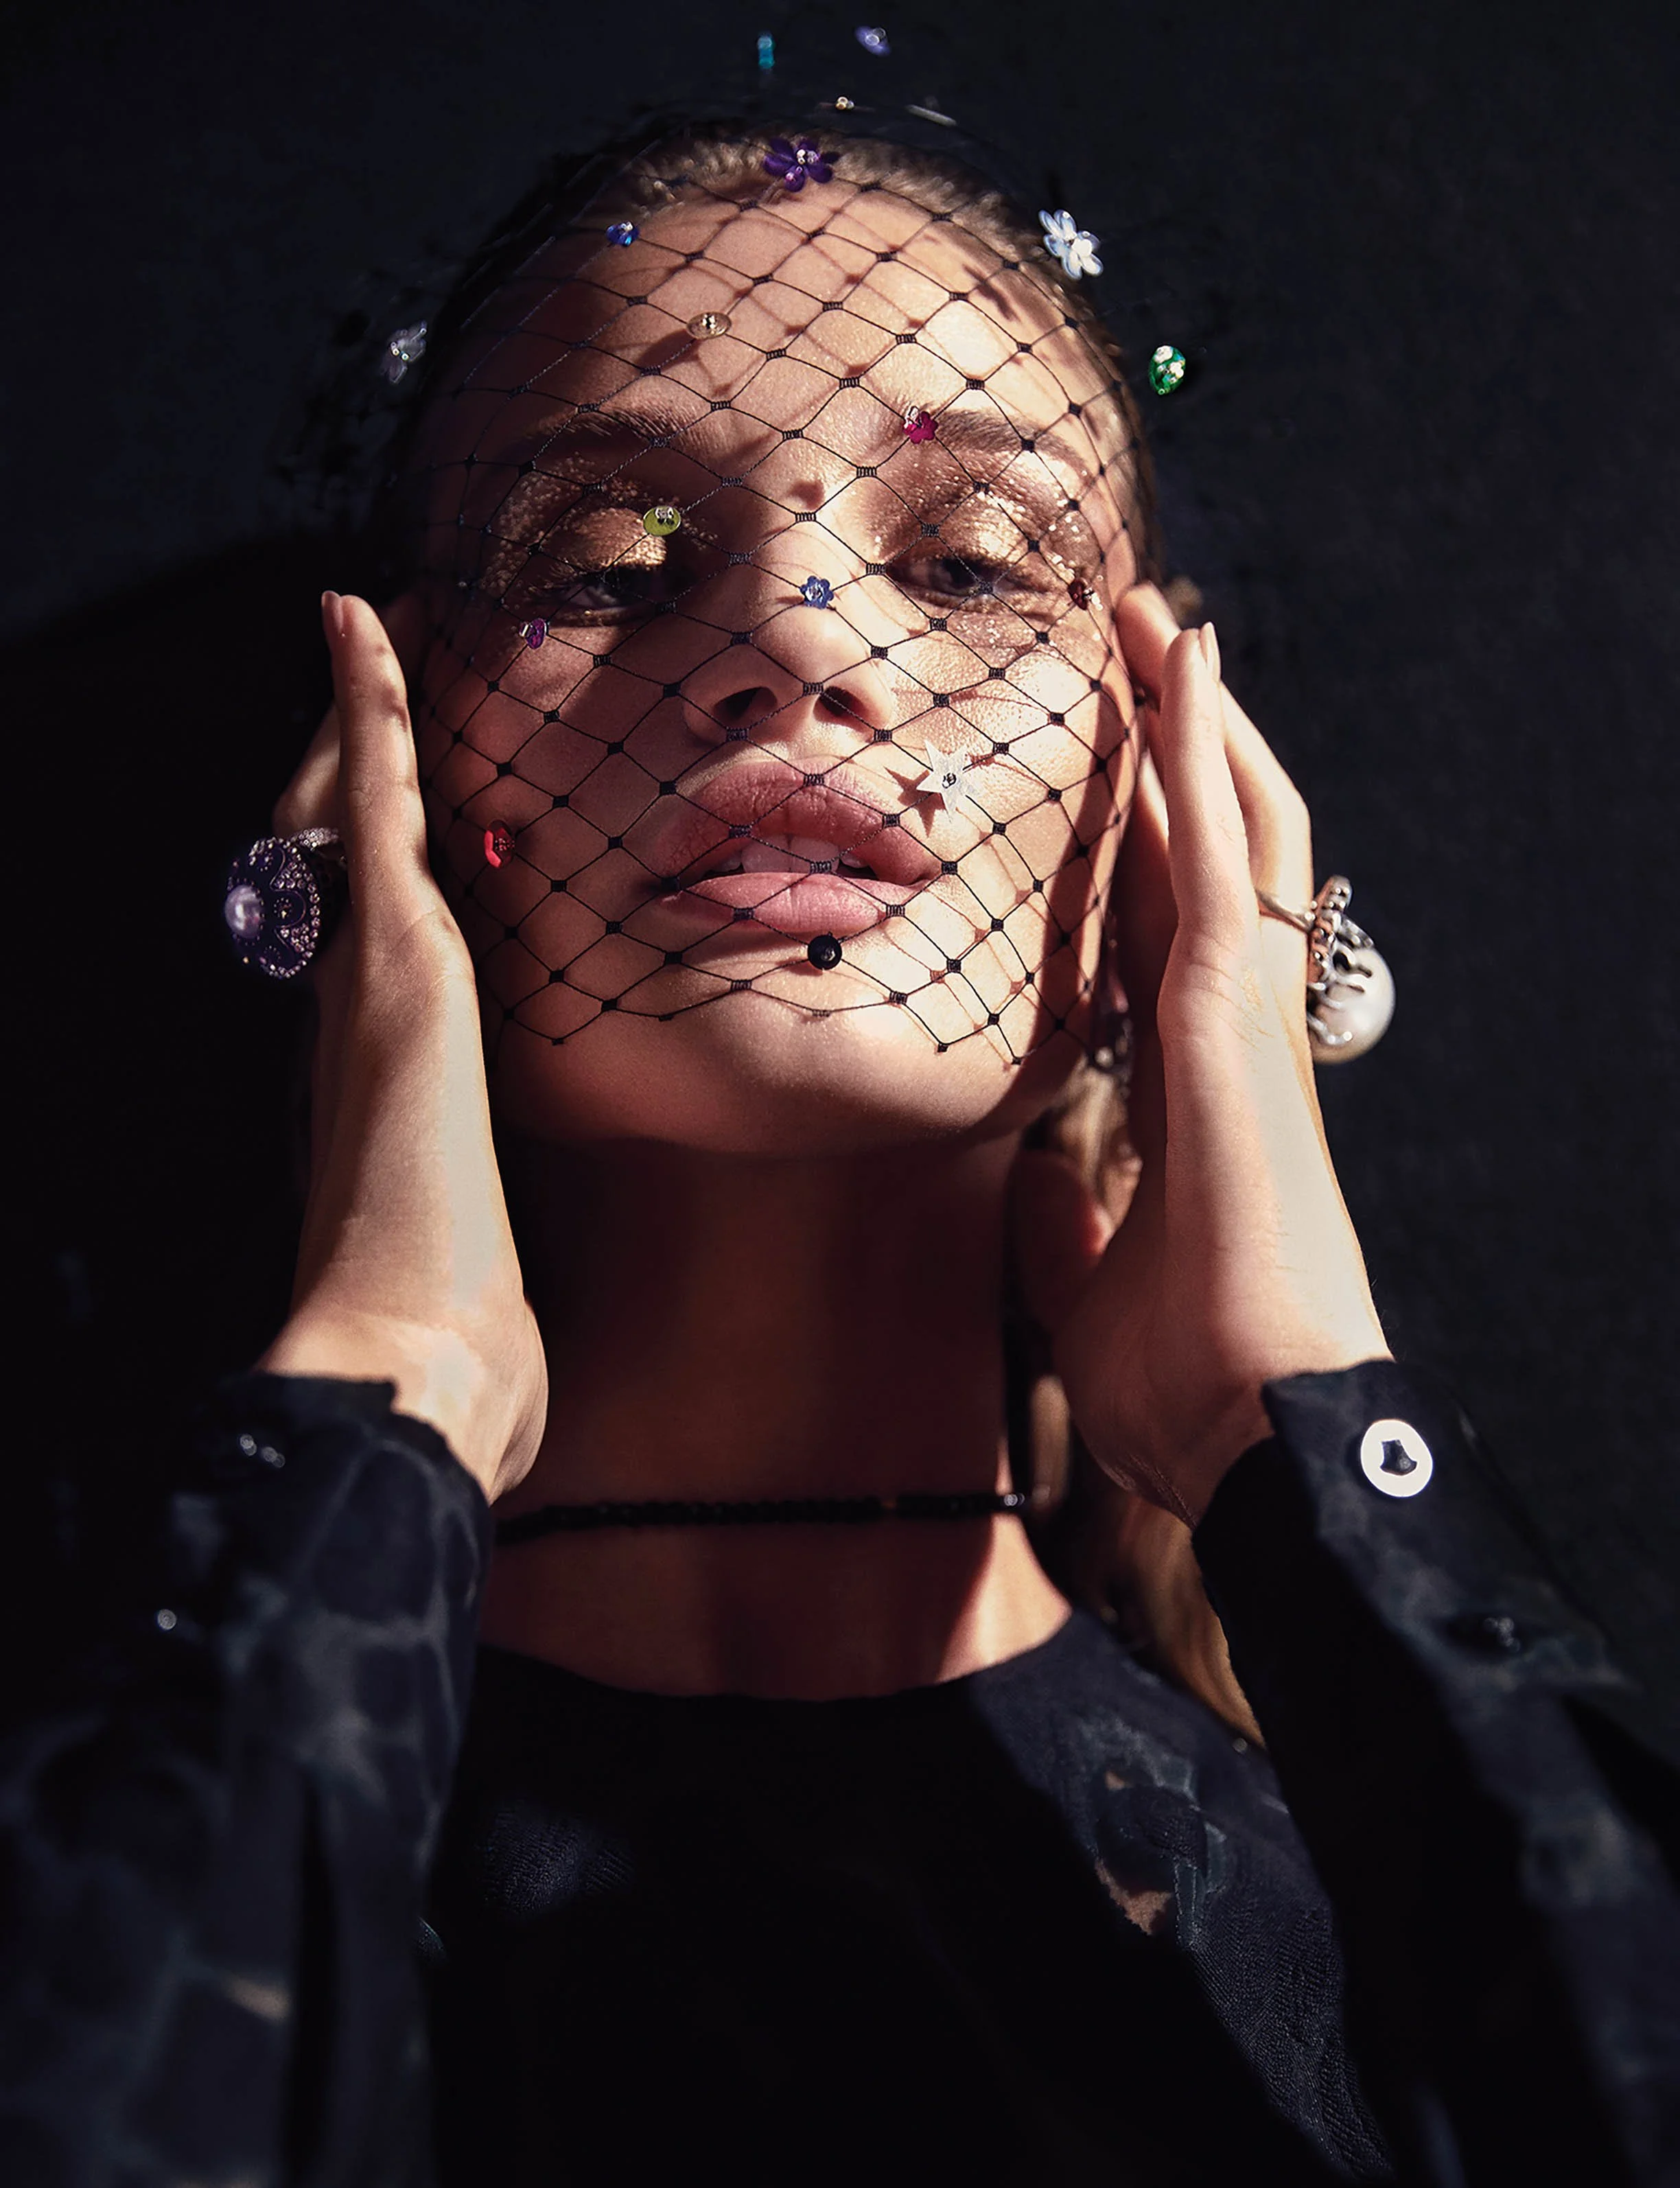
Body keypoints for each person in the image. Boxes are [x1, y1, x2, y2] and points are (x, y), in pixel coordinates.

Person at [3, 119, 1677, 2188]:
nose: (801, 644)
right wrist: (386, 1399)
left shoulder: (1376, 1919)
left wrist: (1300, 1431)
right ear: (392, 779)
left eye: (974, 559)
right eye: (607, 563)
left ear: (1172, 797)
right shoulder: (171, 1841)